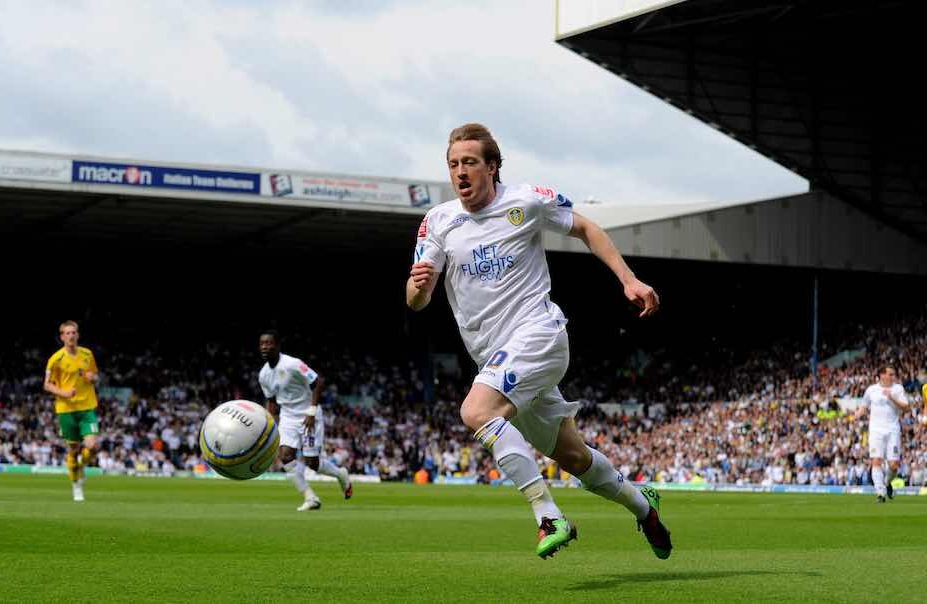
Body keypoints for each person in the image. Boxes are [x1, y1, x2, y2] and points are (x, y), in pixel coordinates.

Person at [406, 123, 672, 559]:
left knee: (475, 411)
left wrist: (629, 280)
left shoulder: (526, 201)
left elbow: (585, 227)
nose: (460, 172)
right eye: (453, 164)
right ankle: (645, 507)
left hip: (539, 334)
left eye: (470, 162)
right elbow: (417, 301)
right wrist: (418, 286)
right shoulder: (438, 222)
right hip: (494, 359)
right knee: (574, 457)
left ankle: (548, 515)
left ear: (492, 167)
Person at [258, 329, 352, 511]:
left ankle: (341, 474)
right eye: (261, 344)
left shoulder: (293, 364)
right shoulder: (263, 375)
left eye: (268, 343)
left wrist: (311, 411)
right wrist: (271, 424)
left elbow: (317, 383)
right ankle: (310, 498)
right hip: (287, 416)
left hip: (308, 415)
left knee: (313, 463)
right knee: (285, 457)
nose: (264, 347)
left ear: (277, 345)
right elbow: (271, 401)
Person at [43, 320, 100, 502]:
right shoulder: (56, 359)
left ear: (78, 335)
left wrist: (93, 377)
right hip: (66, 410)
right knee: (73, 450)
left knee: (92, 446)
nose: (71, 336)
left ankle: (82, 466)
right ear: (62, 337)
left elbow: (93, 374)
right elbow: (47, 385)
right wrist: (64, 393)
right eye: (67, 333)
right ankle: (76, 485)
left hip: (86, 407)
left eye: (73, 332)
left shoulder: (87, 354)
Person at [855, 366, 910, 502]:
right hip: (875, 430)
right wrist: (857, 414)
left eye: (893, 374)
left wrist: (891, 397)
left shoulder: (897, 389)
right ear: (882, 375)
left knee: (894, 465)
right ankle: (880, 494)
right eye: (890, 374)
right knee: (876, 460)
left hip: (893, 430)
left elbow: (906, 407)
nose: (893, 376)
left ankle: (886, 483)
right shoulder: (871, 390)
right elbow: (864, 405)